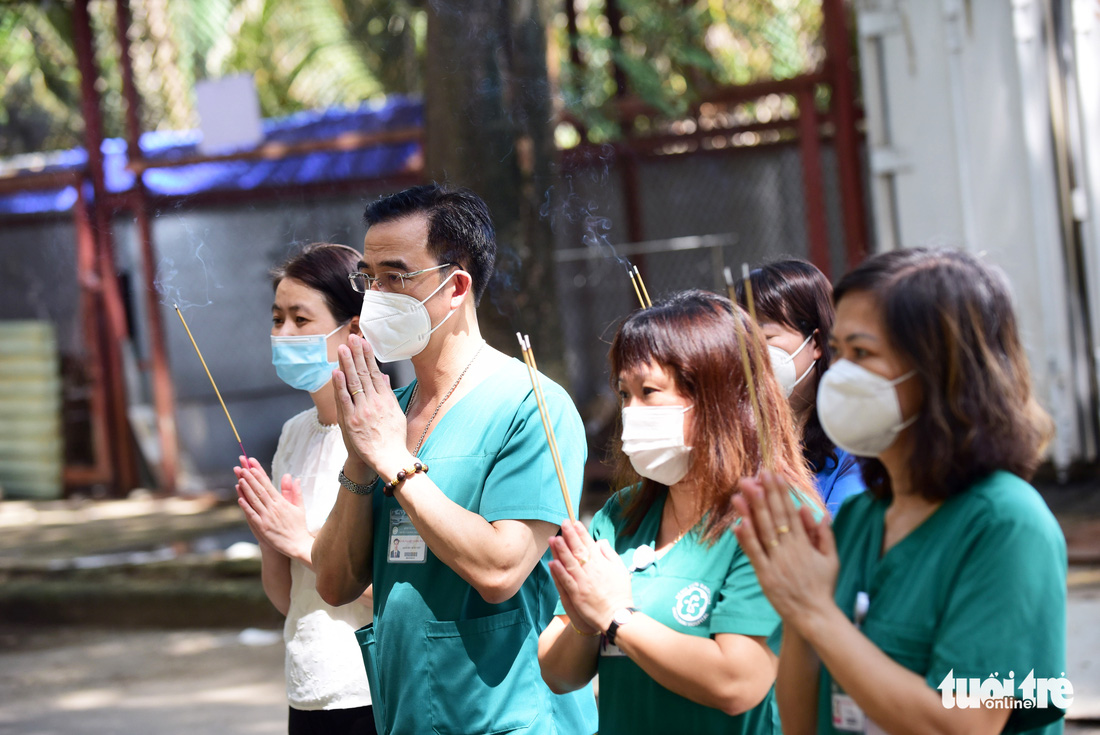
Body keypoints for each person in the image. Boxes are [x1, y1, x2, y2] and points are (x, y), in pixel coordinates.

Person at [733, 248, 1067, 734]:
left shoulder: (1006, 525)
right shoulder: (860, 520)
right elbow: (804, 722)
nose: (841, 374)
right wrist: (798, 613)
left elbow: (964, 726)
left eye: (862, 353)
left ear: (941, 368)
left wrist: (816, 612)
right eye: (840, 352)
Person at [311, 184, 598, 735]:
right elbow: (334, 582)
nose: (375, 296)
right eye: (367, 278)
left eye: (395, 277)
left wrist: (394, 461)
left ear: (456, 285)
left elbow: (501, 569)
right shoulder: (385, 412)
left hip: (509, 716)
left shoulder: (531, 404)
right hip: (409, 712)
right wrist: (359, 460)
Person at [537, 290, 823, 735]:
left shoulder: (777, 517)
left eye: (649, 392)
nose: (631, 413)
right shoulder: (622, 513)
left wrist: (615, 616)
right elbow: (559, 674)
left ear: (719, 395)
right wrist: (582, 617)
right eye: (624, 394)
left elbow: (739, 682)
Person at [233, 243, 376, 734]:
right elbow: (285, 597)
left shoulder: (386, 432)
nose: (284, 334)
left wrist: (300, 541)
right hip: (307, 688)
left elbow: (404, 590)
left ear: (354, 329)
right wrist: (269, 533)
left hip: (371, 687)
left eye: (300, 319)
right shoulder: (294, 432)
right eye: (277, 320)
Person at [737, 259, 864, 514]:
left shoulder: (855, 448)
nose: (750, 353)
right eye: (741, 340)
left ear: (816, 343)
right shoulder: (737, 442)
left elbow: (839, 539)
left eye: (766, 338)